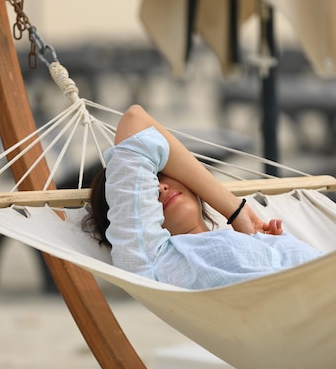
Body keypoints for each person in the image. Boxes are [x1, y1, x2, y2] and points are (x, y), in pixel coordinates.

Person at [83, 105, 323, 289]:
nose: (160, 188)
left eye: (164, 174)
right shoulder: (150, 259)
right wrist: (235, 208)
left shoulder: (255, 237)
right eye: (147, 188)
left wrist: (263, 242)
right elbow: (135, 120)